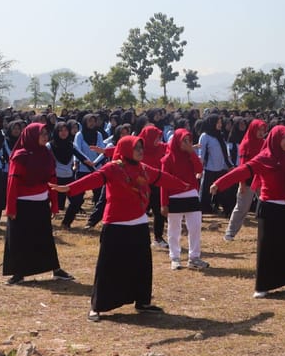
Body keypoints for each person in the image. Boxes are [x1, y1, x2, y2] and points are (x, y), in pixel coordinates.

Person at [54, 136, 188, 320]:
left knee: (141, 266)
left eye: (142, 147)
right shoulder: (113, 168)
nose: (141, 151)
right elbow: (94, 179)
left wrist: (183, 186)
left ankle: (142, 302)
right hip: (116, 224)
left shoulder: (143, 169)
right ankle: (97, 306)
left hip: (139, 224)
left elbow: (162, 177)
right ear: (126, 149)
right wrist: (69, 188)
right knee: (108, 267)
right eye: (137, 148)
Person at [210, 126, 285, 297]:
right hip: (271, 206)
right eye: (284, 138)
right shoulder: (263, 158)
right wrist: (219, 183)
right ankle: (262, 286)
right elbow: (243, 170)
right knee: (268, 248)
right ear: (275, 139)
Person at [3, 123, 74, 285]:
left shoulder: (46, 154)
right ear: (31, 135)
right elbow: (12, 184)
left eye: (46, 133)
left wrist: (54, 204)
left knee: (45, 238)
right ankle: (18, 273)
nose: (44, 136)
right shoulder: (20, 156)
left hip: (41, 203)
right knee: (19, 240)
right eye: (41, 133)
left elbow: (52, 180)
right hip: (22, 205)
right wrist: (11, 207)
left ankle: (56, 269)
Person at [160, 129, 208, 270]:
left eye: (189, 140)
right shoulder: (167, 159)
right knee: (174, 230)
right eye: (184, 140)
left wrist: (191, 152)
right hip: (174, 197)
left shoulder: (190, 156)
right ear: (177, 141)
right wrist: (164, 203)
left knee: (195, 228)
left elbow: (199, 170)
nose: (187, 143)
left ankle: (194, 258)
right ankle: (175, 257)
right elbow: (163, 182)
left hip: (191, 195)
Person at [225, 118, 266, 241]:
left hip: (261, 179)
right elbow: (243, 165)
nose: (261, 132)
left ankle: (268, 230)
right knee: (242, 207)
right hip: (247, 180)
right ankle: (230, 233)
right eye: (259, 129)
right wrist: (241, 183)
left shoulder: (264, 143)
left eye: (263, 130)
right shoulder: (246, 144)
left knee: (266, 205)